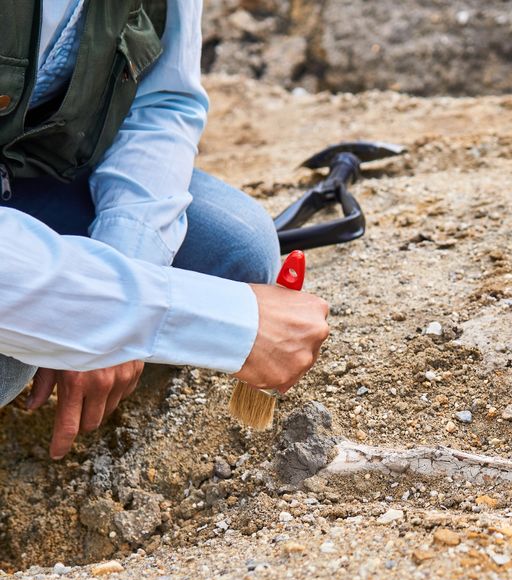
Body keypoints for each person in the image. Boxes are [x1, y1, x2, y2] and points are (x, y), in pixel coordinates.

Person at [0, 0, 330, 459]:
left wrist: (121, 273)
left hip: (34, 171)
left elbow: (161, 102)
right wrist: (128, 311)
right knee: (5, 365)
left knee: (237, 250)